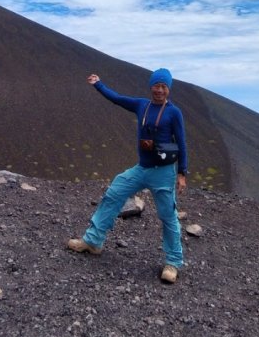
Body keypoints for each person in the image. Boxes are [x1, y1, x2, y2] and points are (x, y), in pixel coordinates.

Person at [67, 68, 188, 283]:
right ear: (151, 86)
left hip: (164, 173)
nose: (159, 90)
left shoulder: (173, 112)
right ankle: (93, 241)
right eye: (156, 85)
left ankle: (173, 262)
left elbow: (182, 142)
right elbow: (117, 99)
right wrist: (98, 84)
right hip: (142, 169)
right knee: (115, 191)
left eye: (164, 87)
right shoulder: (142, 105)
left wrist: (182, 173)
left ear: (168, 89)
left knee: (167, 215)